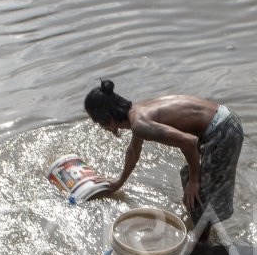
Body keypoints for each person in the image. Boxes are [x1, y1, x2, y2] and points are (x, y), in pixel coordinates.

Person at [83, 79, 243, 230]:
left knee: (199, 192)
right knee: (191, 181)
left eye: (98, 123)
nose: (101, 128)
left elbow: (189, 141)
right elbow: (133, 151)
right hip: (223, 119)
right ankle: (200, 231)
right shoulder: (137, 112)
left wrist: (195, 181)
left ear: (108, 118)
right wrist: (119, 182)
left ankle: (202, 244)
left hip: (222, 131)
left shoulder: (139, 125)